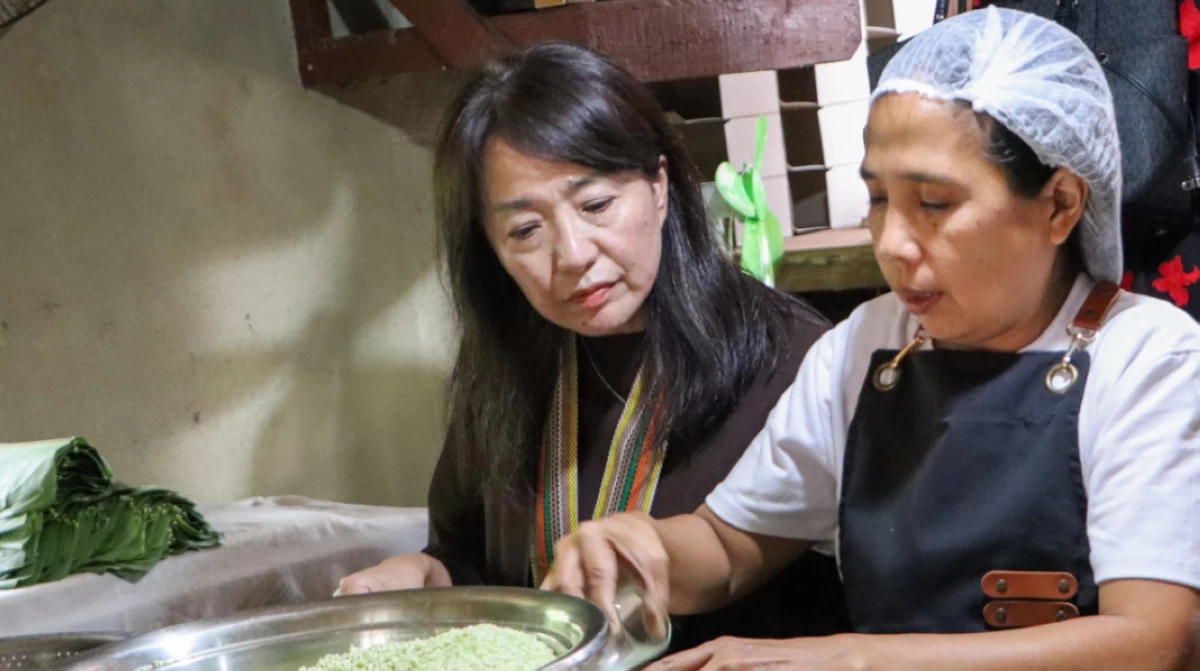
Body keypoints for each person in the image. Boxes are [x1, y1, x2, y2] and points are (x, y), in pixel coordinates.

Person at [543, 8, 1200, 670]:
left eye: (935, 204)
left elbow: (1150, 639)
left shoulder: (1148, 357)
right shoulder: (867, 345)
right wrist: (641, 548)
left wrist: (856, 658)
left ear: (1059, 203)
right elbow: (727, 545)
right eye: (880, 198)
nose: (890, 243)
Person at [337, 42, 850, 648]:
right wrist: (424, 575)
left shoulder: (793, 360)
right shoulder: (504, 367)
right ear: (490, 248)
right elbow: (476, 557)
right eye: (526, 229)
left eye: (596, 204)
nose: (573, 255)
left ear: (659, 186)